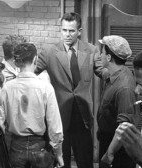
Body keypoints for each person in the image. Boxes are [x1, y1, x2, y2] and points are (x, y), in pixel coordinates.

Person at [35, 12, 108, 168]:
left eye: (71, 31)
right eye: (64, 30)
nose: (67, 35)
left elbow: (101, 71)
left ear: (79, 31)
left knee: (85, 161)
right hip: (59, 116)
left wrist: (118, 75)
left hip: (83, 116)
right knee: (62, 162)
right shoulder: (49, 52)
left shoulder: (91, 50)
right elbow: (31, 74)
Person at [1, 43, 64, 168]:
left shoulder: (7, 88)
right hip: (39, 148)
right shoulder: (45, 87)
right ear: (35, 59)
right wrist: (59, 155)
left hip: (15, 147)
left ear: (16, 61)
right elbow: (55, 127)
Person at [97, 35, 139, 168]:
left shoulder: (124, 87)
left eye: (102, 52)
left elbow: (124, 126)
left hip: (118, 149)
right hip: (107, 138)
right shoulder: (116, 73)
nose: (100, 55)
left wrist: (110, 153)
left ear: (109, 57)